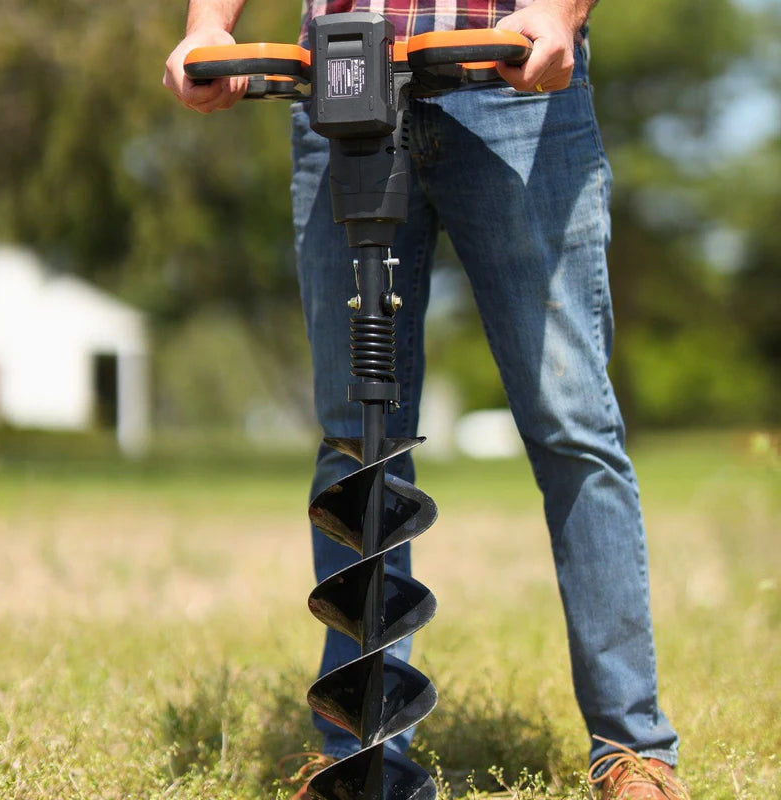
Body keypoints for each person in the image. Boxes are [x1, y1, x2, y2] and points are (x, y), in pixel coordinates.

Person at [164, 1, 689, 798]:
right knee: (354, 439)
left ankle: (632, 746)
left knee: (571, 421)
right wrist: (208, 26)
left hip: (515, 81)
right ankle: (357, 751)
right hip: (341, 84)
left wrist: (556, 14)